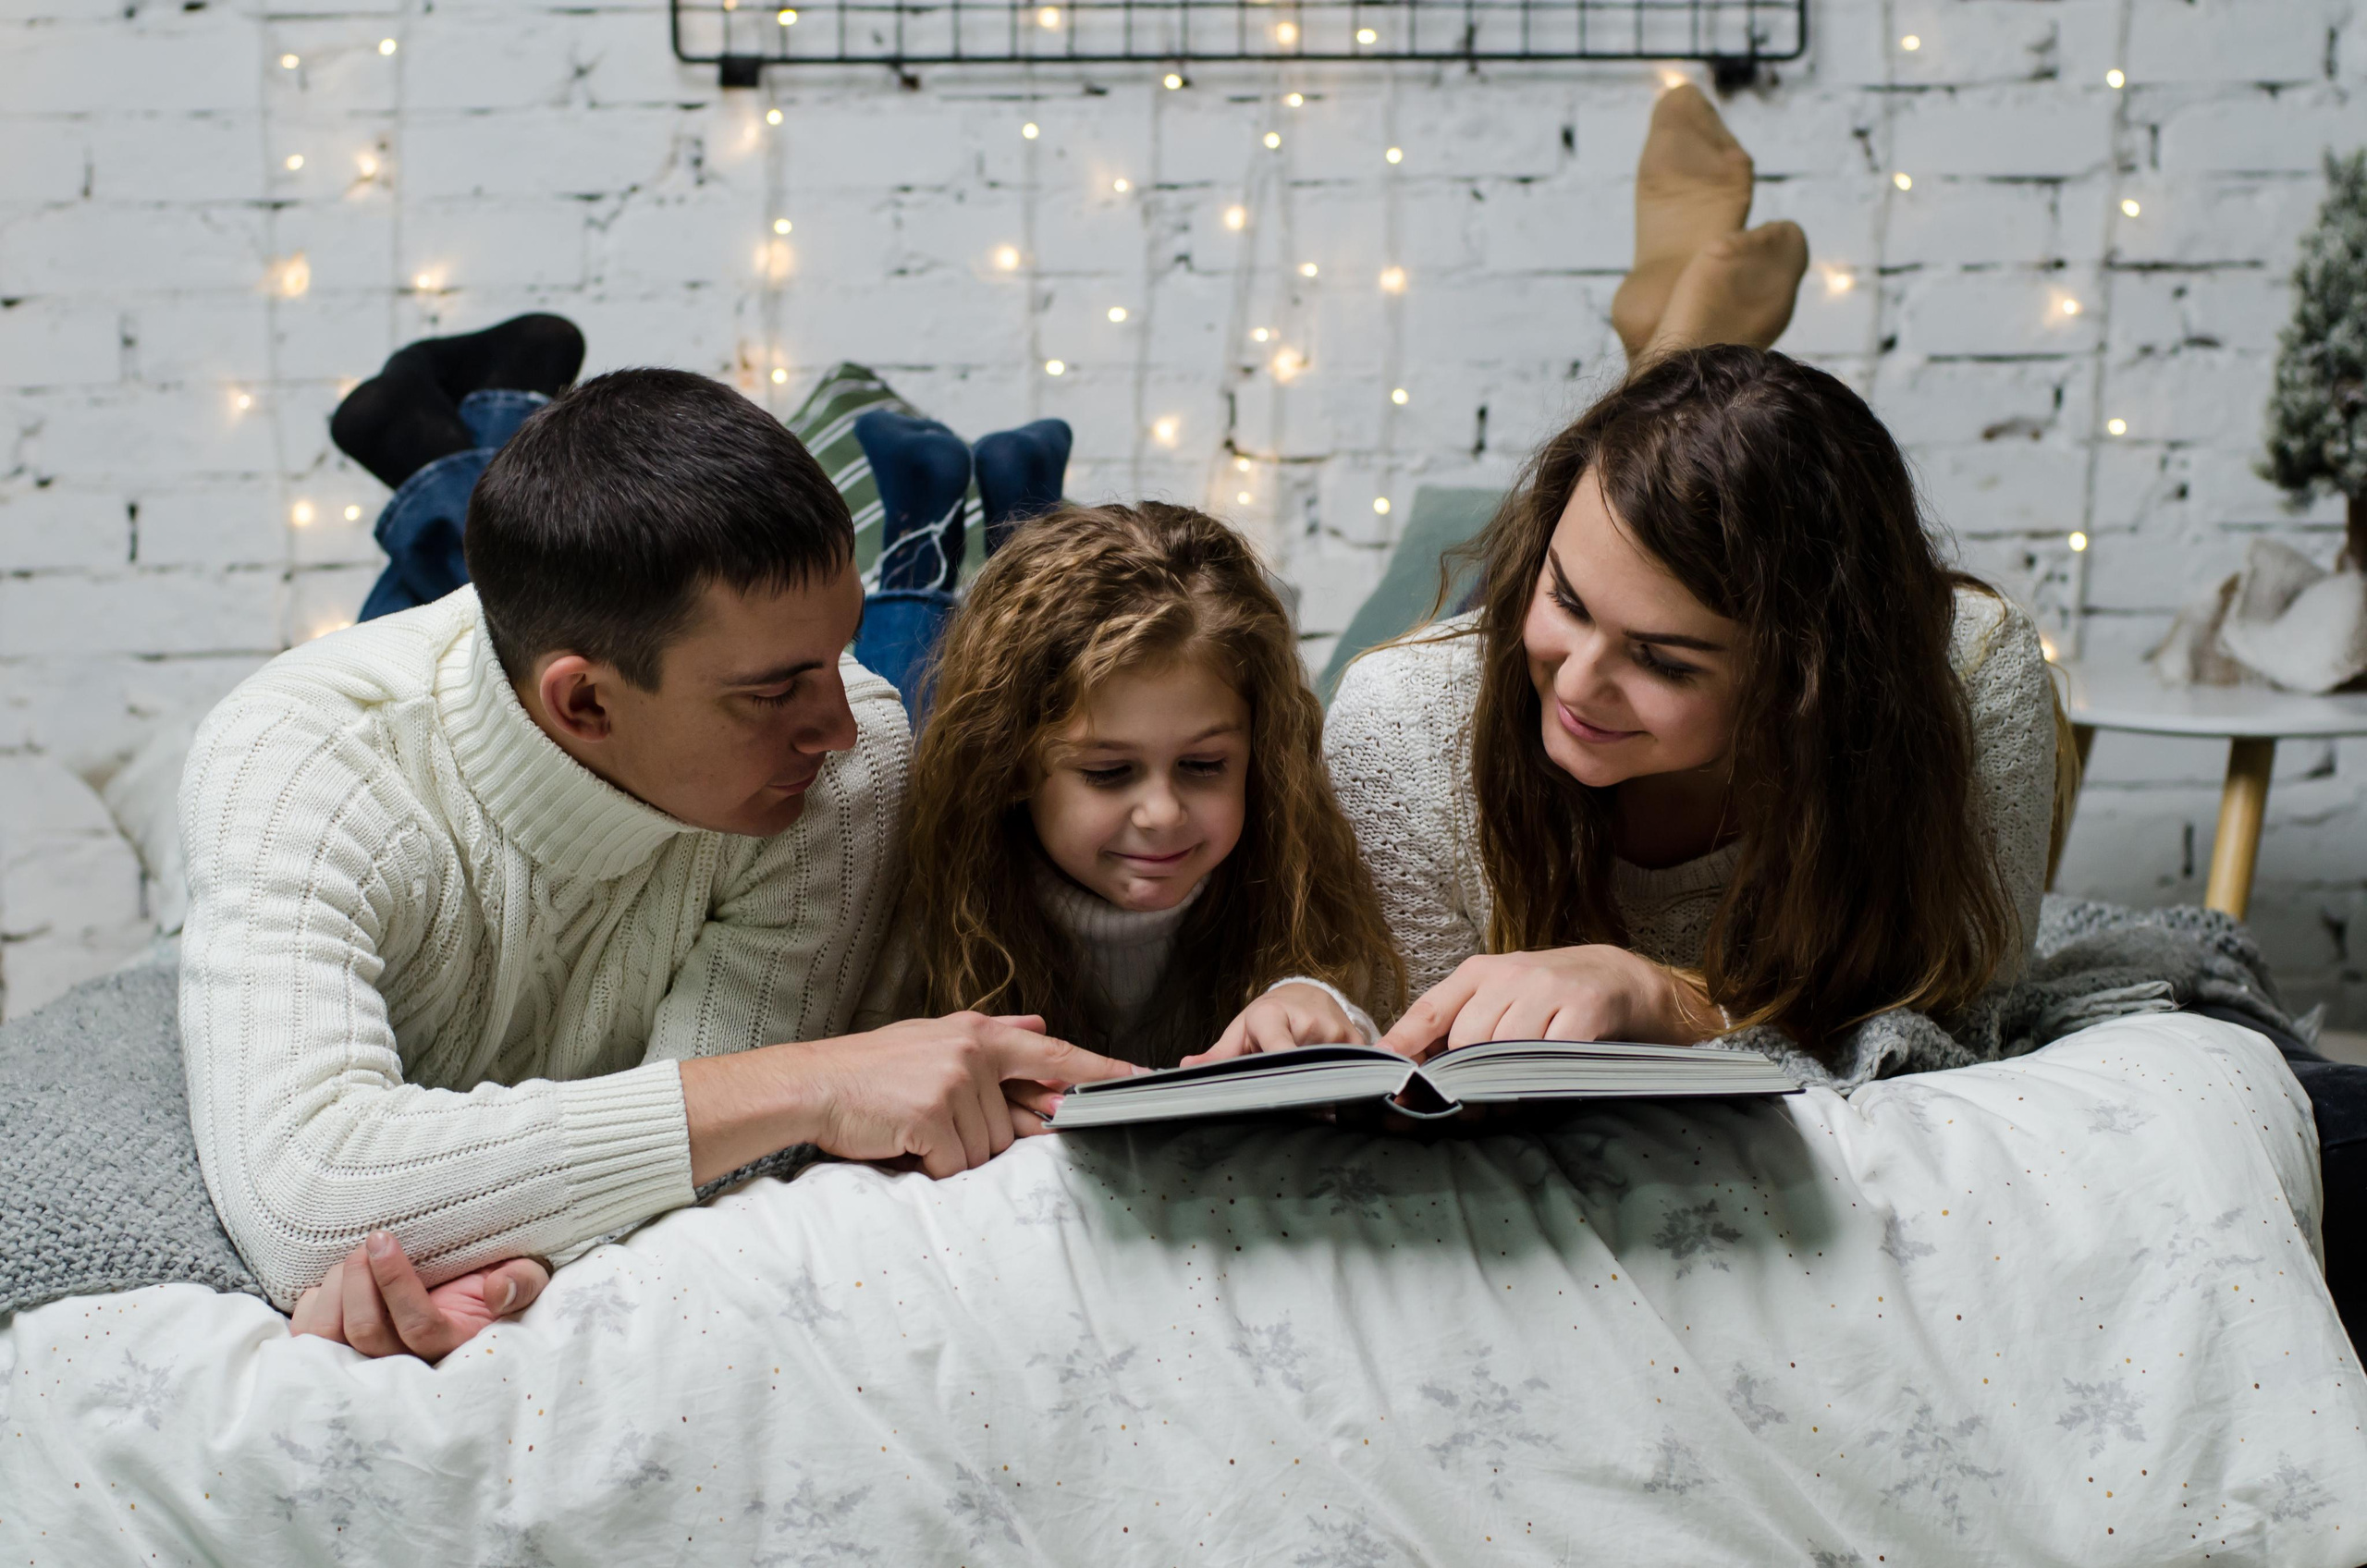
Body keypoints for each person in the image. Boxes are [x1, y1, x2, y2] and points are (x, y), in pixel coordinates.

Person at [178, 367, 1138, 1362]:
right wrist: (822, 1078)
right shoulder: (297, 760)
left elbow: (716, 1176)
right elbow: (309, 1201)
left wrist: (507, 1261)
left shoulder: (844, 773)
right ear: (584, 704)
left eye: (839, 653)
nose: (843, 725)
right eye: (774, 692)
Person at [859, 502, 1404, 1068]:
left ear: (1260, 753)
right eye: (1109, 773)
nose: (1162, 814)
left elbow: (1370, 1031)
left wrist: (1322, 1008)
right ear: (1012, 763)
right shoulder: (928, 902)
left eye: (1204, 765)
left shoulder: (1294, 878)